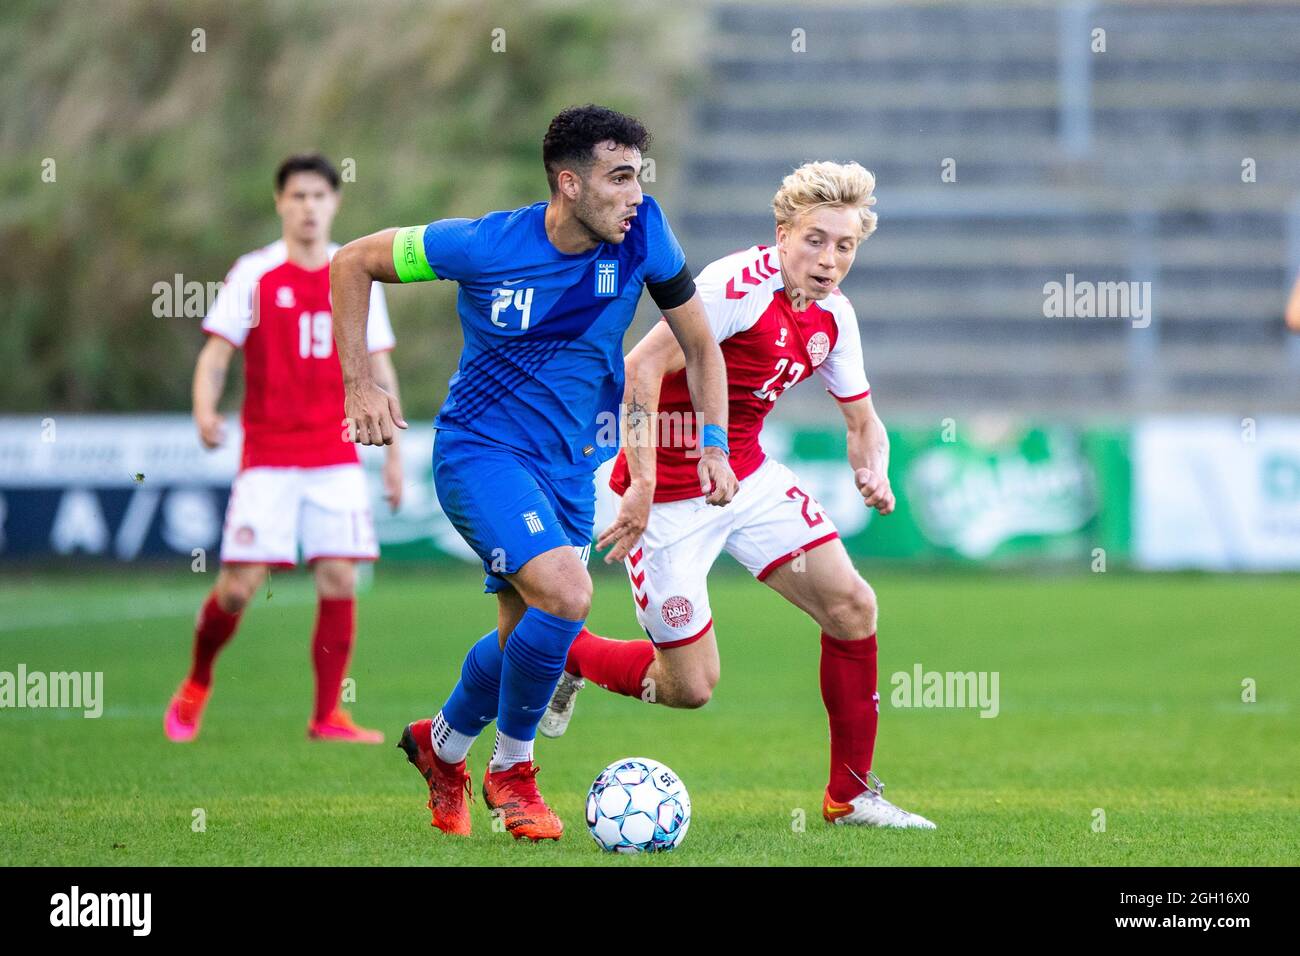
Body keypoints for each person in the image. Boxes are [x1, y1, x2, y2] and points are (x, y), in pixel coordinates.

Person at [329, 105, 738, 841]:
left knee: (526, 640)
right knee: (568, 594)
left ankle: (440, 746)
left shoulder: (645, 234)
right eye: (619, 178)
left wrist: (713, 443)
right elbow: (352, 262)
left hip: (571, 469)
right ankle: (512, 774)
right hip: (479, 454)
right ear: (569, 183)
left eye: (639, 178)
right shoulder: (483, 244)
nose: (636, 195)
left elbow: (701, 345)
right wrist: (359, 385)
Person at [541, 161, 936, 829]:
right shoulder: (734, 287)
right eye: (815, 240)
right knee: (689, 688)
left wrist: (876, 469)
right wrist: (641, 483)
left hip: (746, 480)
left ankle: (850, 797)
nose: (829, 259)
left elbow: (863, 422)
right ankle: (571, 654)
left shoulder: (835, 317)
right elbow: (640, 366)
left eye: (844, 246)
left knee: (852, 607)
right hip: (666, 498)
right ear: (783, 234)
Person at [164, 154, 402, 744]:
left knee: (340, 578)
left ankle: (327, 716)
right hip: (267, 458)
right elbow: (216, 354)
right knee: (238, 587)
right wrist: (203, 409)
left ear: (335, 202)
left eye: (319, 196)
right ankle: (196, 682)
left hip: (336, 454)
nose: (308, 207)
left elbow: (379, 369)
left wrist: (394, 455)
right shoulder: (254, 273)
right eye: (297, 196)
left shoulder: (354, 270)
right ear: (280, 203)